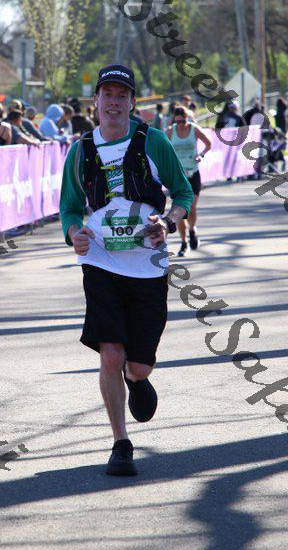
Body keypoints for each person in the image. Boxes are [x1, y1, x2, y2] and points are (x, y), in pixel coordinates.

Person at [60, 64, 193, 477]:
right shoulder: (81, 150)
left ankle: (137, 378)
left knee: (137, 365)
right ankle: (120, 443)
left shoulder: (153, 141)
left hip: (148, 266)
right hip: (101, 262)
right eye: (108, 94)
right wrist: (74, 234)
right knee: (110, 352)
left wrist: (168, 222)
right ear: (95, 101)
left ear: (133, 102)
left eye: (122, 95)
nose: (114, 103)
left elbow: (183, 193)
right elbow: (69, 208)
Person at [166, 106, 211, 256]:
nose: (180, 125)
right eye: (177, 122)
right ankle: (184, 243)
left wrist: (201, 155)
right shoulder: (170, 132)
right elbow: (162, 149)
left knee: (191, 208)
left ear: (187, 118)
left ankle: (192, 230)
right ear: (174, 120)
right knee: (180, 211)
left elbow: (209, 144)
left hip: (193, 174)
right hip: (178, 176)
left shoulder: (194, 129)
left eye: (183, 121)